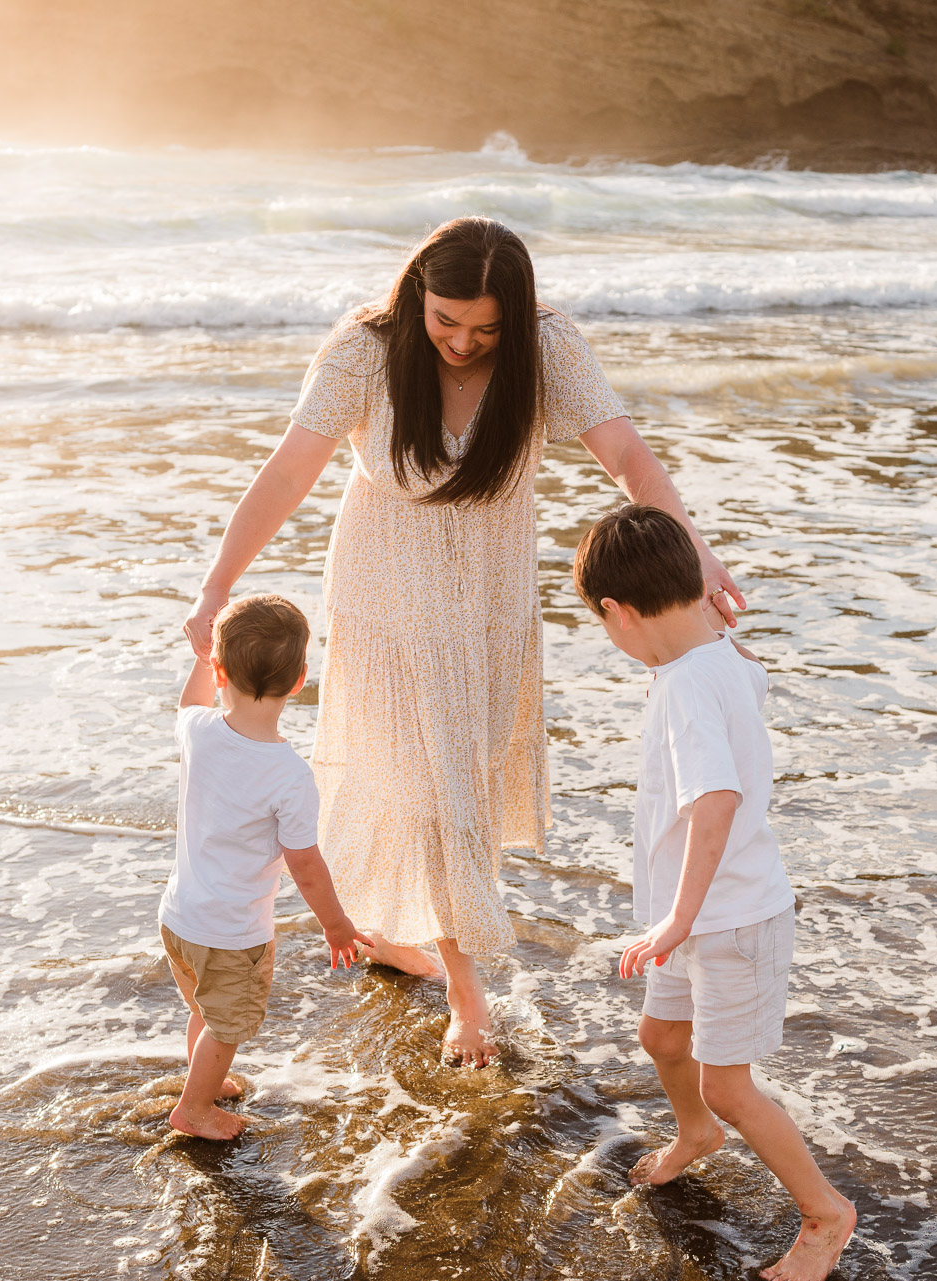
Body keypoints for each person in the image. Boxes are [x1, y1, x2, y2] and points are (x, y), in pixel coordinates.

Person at [181, 217, 744, 1067]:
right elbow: (290, 472)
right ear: (417, 297)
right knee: (427, 780)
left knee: (458, 781)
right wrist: (218, 582)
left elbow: (626, 454)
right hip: (387, 591)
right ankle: (465, 988)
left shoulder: (549, 346)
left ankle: (392, 932)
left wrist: (694, 547)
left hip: (487, 598)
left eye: (485, 328)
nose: (462, 341)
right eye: (446, 321)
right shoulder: (365, 349)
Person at [576, 505, 856, 1281]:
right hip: (699, 914)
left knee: (730, 1084)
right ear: (698, 587)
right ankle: (695, 1132)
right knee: (663, 1040)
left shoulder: (687, 687)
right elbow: (736, 656)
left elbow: (717, 800)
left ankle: (826, 1214)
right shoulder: (718, 653)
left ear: (616, 613)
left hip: (726, 917)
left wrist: (678, 918)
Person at [159, 594, 371, 1140]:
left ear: (218, 669)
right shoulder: (290, 775)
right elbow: (304, 865)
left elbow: (191, 701)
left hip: (179, 918)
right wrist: (336, 924)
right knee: (228, 1024)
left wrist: (203, 655)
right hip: (232, 934)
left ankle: (202, 1081)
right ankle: (195, 1109)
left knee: (207, 1009)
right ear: (300, 680)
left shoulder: (197, 731)